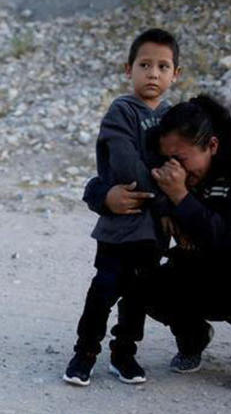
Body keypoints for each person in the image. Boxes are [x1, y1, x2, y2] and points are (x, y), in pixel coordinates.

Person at [86, 95, 231, 391]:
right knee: (144, 280)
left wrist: (180, 197)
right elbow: (108, 181)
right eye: (168, 160)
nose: (174, 169)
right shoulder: (173, 168)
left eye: (181, 159)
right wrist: (104, 196)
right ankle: (193, 337)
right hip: (202, 264)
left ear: (212, 146)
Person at [62, 28, 181, 387]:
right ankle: (84, 353)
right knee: (105, 288)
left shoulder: (177, 117)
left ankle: (124, 355)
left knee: (137, 297)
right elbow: (128, 166)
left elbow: (181, 166)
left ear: (176, 74)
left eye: (163, 66)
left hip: (154, 232)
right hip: (120, 224)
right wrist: (165, 196)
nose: (153, 74)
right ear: (128, 69)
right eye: (145, 65)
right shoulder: (122, 111)